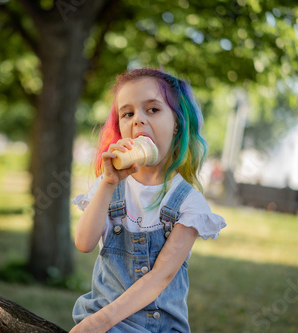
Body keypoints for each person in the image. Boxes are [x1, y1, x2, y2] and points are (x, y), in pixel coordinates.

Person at [70, 68, 226, 333]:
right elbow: (84, 243)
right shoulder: (109, 185)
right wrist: (108, 184)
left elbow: (160, 277)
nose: (138, 120)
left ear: (177, 122)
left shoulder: (189, 203)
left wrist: (100, 322)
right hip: (102, 317)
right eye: (127, 113)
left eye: (152, 110)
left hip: (155, 328)